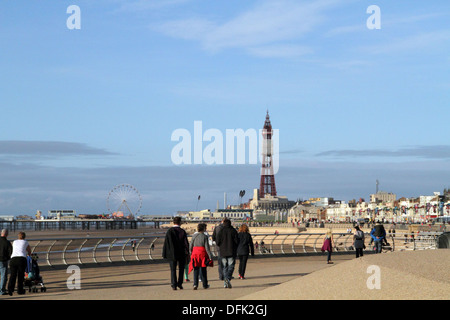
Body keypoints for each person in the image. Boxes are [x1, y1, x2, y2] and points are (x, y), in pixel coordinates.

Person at [162, 217, 189, 290]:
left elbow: (166, 243)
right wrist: (187, 252)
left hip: (172, 253)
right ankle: (180, 283)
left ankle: (174, 284)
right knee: (181, 269)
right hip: (181, 252)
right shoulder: (182, 231)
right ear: (180, 222)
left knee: (173, 269)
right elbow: (186, 243)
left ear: (173, 222)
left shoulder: (169, 231)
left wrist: (164, 253)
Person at [216, 218, 239, 288]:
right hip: (231, 251)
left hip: (222, 252)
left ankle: (225, 282)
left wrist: (221, 246)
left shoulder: (221, 231)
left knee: (224, 267)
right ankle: (227, 278)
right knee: (231, 266)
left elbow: (217, 242)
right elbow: (237, 241)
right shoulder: (233, 231)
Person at [189, 223, 213, 290]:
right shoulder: (205, 236)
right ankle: (205, 284)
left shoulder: (194, 236)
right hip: (202, 254)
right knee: (203, 270)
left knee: (196, 269)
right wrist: (210, 256)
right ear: (204, 229)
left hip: (195, 253)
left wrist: (191, 253)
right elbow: (207, 248)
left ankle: (195, 284)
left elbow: (190, 246)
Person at [7, 231, 31, 295]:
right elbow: (29, 251)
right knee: (20, 276)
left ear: (18, 236)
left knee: (13, 275)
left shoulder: (14, 241)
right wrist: (28, 255)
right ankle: (20, 290)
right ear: (24, 236)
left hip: (13, 259)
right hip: (21, 259)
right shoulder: (25, 242)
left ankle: (10, 289)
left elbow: (13, 249)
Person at [0, 229, 12, 295]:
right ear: (7, 234)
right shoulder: (7, 242)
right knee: (3, 276)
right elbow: (10, 252)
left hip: (2, 260)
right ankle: (2, 290)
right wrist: (8, 258)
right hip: (3, 260)